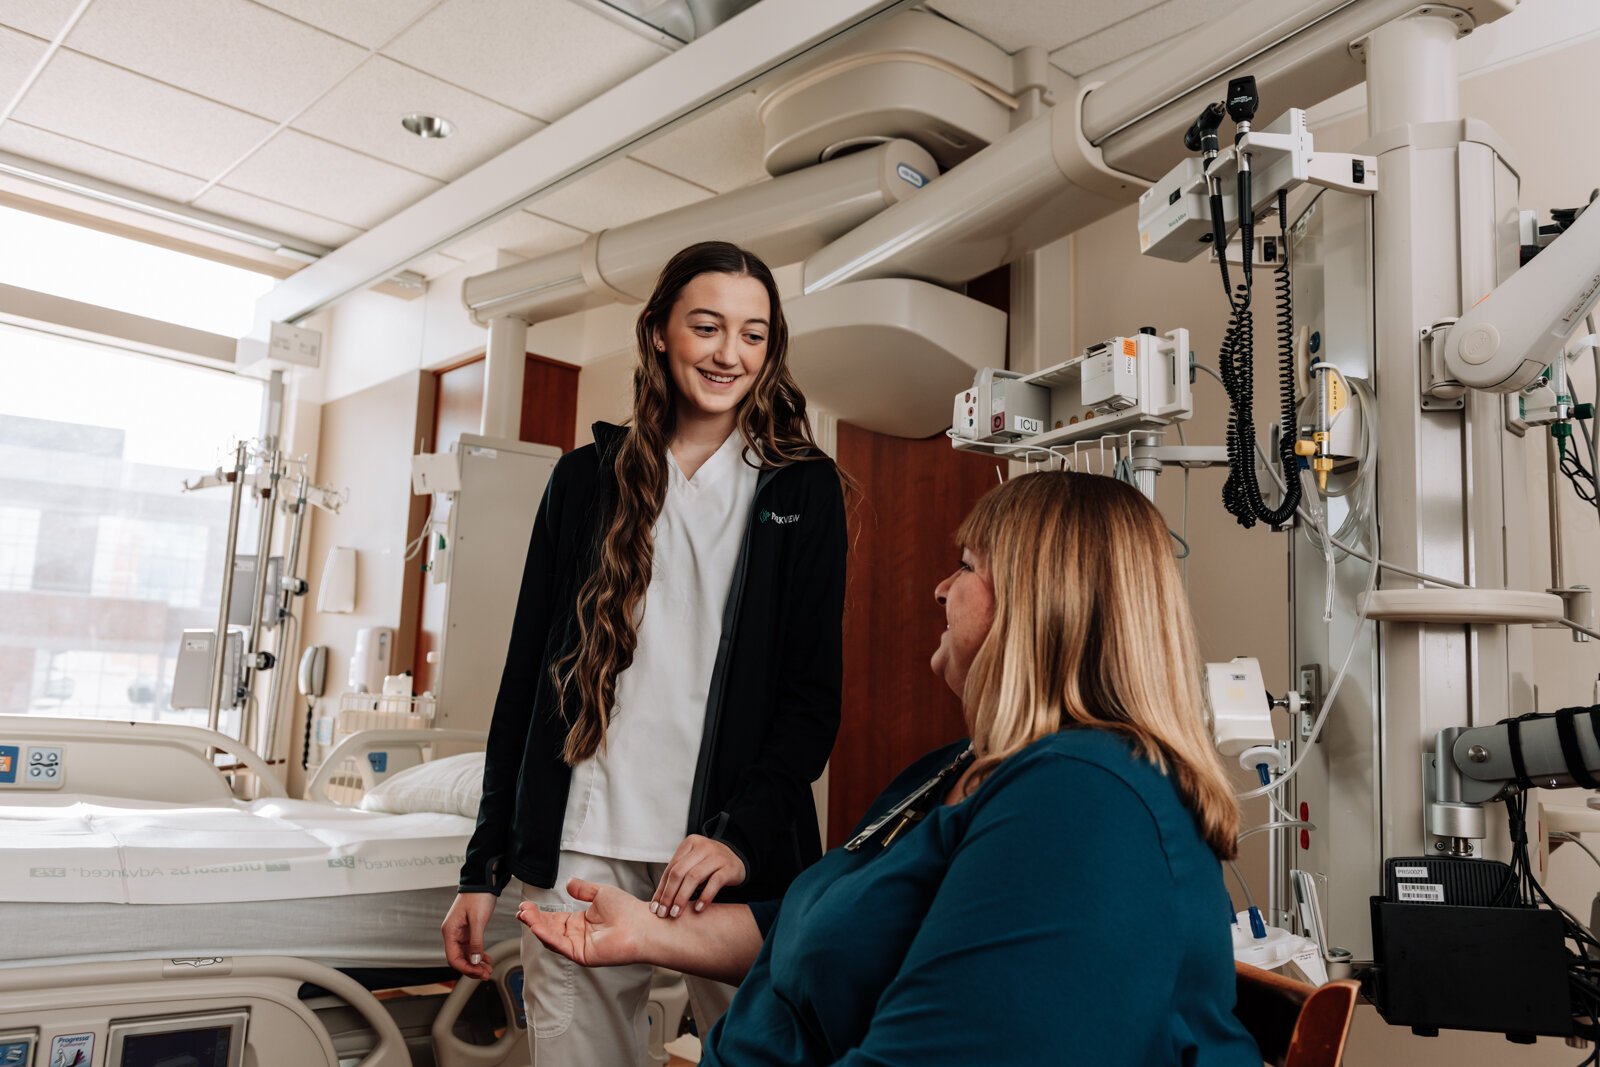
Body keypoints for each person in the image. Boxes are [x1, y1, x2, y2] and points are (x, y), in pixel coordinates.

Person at [521, 471, 1262, 1065]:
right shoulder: (966, 768)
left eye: (966, 567)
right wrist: (650, 933)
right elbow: (838, 918)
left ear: (1041, 603)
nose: (942, 587)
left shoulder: (1085, 803)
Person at [442, 241, 848, 1064]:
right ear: (659, 332)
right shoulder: (584, 479)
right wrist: (483, 864)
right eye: (707, 326)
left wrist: (736, 835)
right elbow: (525, 680)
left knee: (767, 1052)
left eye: (754, 334)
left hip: (728, 858)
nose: (730, 353)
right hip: (583, 843)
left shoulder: (801, 488)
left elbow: (811, 701)